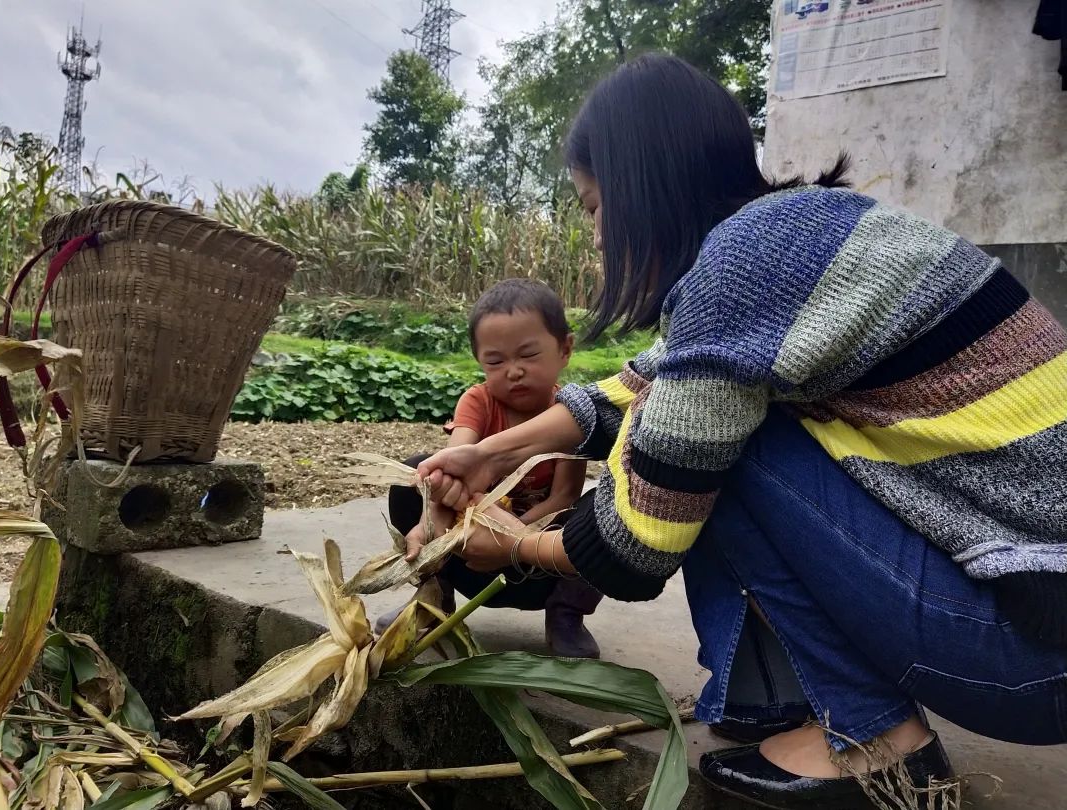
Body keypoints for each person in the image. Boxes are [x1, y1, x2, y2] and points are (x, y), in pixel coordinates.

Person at [413, 53, 1067, 808]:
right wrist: (489, 450)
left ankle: (872, 735)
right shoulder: (800, 236)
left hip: (1030, 662)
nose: (594, 238)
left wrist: (499, 542)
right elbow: (642, 383)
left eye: (593, 209)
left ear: (641, 187)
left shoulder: (740, 272)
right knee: (699, 425)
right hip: (1038, 622)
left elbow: (635, 544)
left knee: (718, 448)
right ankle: (774, 696)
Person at [378, 278, 600, 658]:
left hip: (541, 563)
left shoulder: (569, 415)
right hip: (470, 551)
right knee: (415, 473)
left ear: (565, 348)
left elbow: (563, 497)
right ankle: (434, 598)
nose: (513, 371)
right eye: (496, 361)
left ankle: (566, 614)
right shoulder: (478, 401)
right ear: (480, 360)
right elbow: (452, 465)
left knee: (600, 512)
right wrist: (429, 522)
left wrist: (514, 538)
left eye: (528, 355)